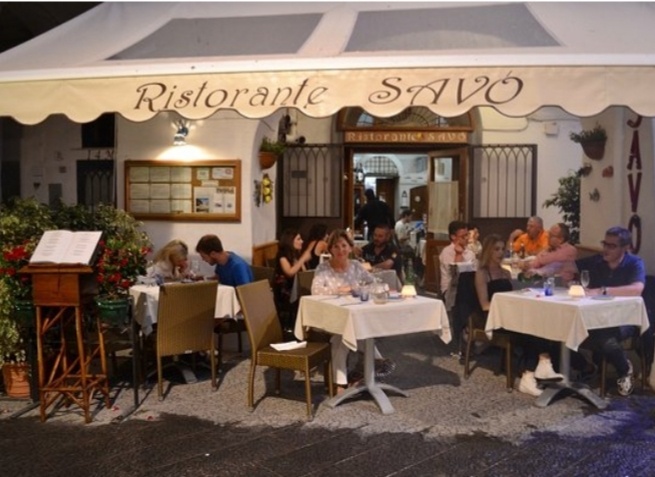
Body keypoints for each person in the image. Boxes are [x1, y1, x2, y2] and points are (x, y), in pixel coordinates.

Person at [475, 234, 563, 396]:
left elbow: (512, 297)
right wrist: (505, 308)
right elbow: (484, 304)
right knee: (530, 330)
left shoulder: (506, 273)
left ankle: (535, 370)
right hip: (493, 316)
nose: (500, 253)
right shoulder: (482, 273)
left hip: (510, 315)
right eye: (496, 249)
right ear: (488, 251)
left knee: (538, 325)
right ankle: (536, 369)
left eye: (502, 249)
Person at [311, 229, 393, 394]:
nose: (340, 250)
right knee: (343, 336)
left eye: (344, 246)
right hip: (330, 317)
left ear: (350, 248)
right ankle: (374, 363)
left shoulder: (355, 266)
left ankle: (348, 379)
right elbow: (316, 290)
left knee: (353, 334)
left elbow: (372, 283)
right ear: (330, 249)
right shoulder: (323, 268)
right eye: (336, 246)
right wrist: (341, 289)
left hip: (354, 317)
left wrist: (358, 288)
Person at [574, 226, 645, 396]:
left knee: (604, 337)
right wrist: (543, 268)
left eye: (611, 246)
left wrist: (603, 290)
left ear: (625, 248)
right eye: (605, 244)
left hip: (626, 318)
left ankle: (624, 369)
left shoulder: (634, 263)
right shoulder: (597, 261)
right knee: (567, 328)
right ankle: (588, 367)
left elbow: (637, 289)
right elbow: (570, 267)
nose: (606, 249)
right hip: (599, 316)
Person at [273, 228, 312, 333]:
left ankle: (307, 327)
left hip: (295, 287)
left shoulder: (296, 255)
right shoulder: (282, 255)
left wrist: (302, 260)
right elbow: (289, 273)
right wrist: (302, 259)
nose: (302, 241)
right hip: (285, 291)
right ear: (290, 241)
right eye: (298, 239)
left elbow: (304, 274)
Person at [439, 221, 476, 300]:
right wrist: (458, 254)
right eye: (463, 236)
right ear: (453, 237)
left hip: (468, 287)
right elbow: (454, 275)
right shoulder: (447, 252)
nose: (466, 238)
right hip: (450, 289)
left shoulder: (470, 252)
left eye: (467, 235)